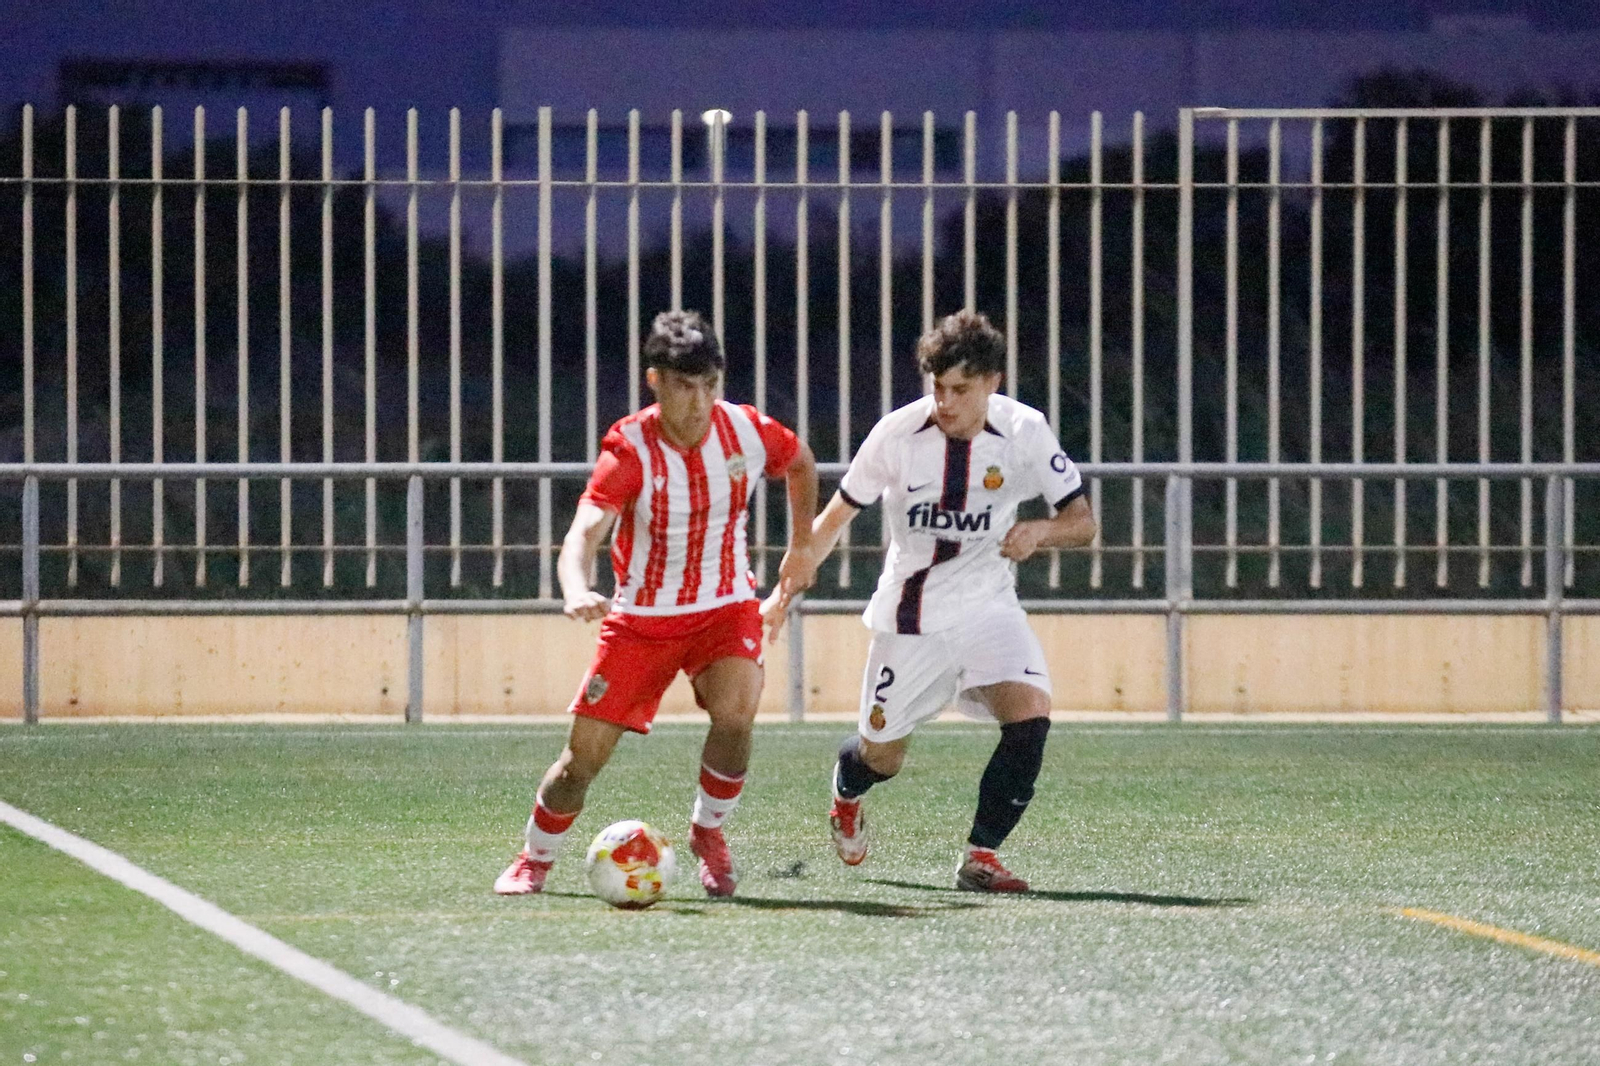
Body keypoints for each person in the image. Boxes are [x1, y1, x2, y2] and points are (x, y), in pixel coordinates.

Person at [767, 309, 1096, 892]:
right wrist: (781, 592)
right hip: (911, 618)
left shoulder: (1025, 432)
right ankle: (847, 790)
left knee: (1031, 716)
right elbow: (834, 518)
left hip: (988, 606)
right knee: (881, 758)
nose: (945, 402)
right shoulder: (897, 434)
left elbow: (1082, 521)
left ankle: (981, 855)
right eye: (937, 388)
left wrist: (1041, 532)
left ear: (992, 383)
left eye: (960, 389)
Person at [495, 310, 818, 899]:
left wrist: (802, 549)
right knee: (580, 763)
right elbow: (585, 532)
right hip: (642, 623)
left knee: (738, 709)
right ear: (656, 382)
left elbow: (800, 464)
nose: (698, 402)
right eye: (683, 387)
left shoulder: (746, 431)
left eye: (708, 386)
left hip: (725, 608)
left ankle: (709, 833)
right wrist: (573, 585)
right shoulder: (630, 447)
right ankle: (534, 859)